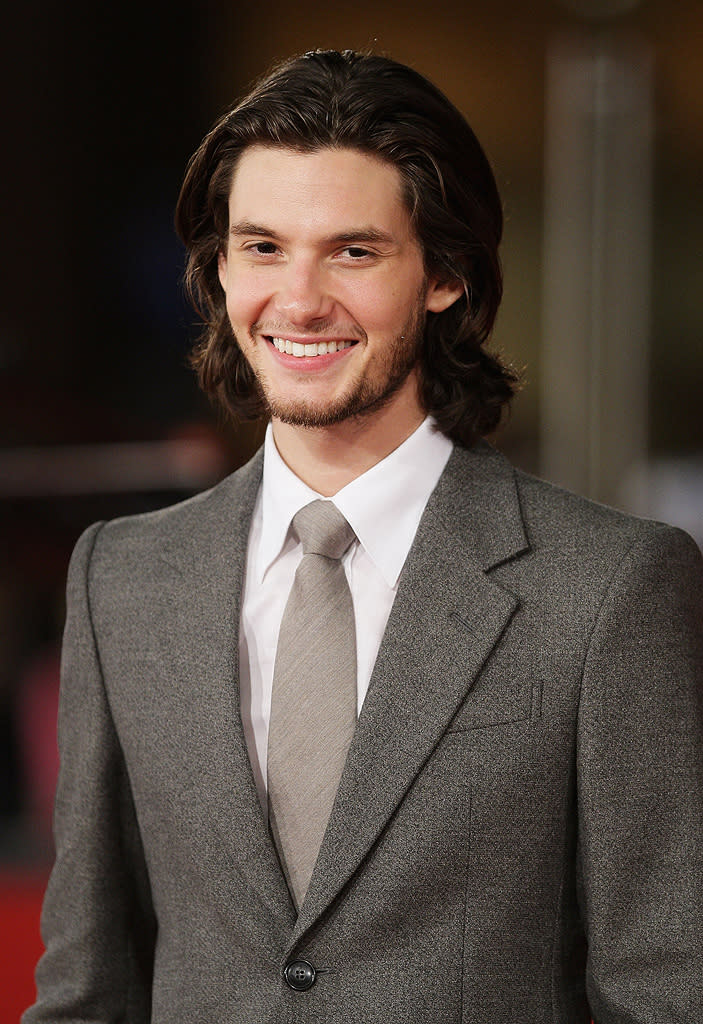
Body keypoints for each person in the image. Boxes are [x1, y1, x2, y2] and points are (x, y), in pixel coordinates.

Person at [24, 49, 703, 1023]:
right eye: (261, 247)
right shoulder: (120, 580)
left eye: (353, 251)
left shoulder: (609, 587)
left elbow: (666, 992)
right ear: (219, 268)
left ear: (445, 275)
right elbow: (88, 988)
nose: (298, 300)